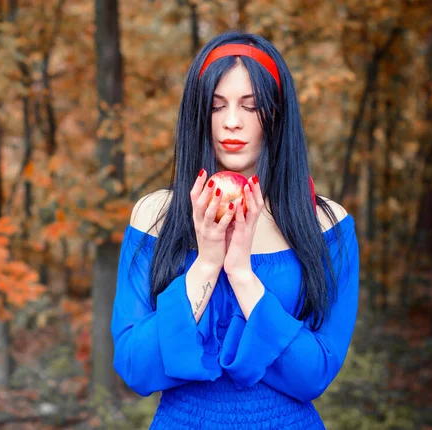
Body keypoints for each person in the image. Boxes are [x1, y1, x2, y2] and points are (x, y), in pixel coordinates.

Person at [110, 31, 359, 429]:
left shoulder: (325, 225)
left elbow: (315, 374)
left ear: (275, 114)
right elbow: (135, 367)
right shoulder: (155, 215)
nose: (231, 122)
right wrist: (207, 264)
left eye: (251, 106)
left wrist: (241, 274)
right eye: (215, 106)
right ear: (198, 115)